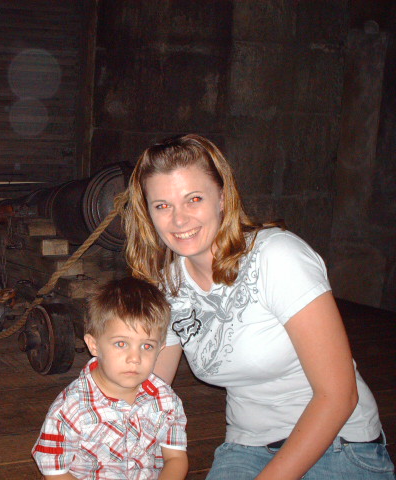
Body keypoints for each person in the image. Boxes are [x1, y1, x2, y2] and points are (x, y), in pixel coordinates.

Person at [120, 133, 395, 480]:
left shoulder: (277, 257)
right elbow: (150, 388)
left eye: (194, 199)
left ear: (222, 198)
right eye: (162, 206)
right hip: (246, 447)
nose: (179, 220)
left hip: (339, 444)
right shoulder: (167, 287)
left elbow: (339, 396)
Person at [32, 276, 188, 479]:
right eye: (121, 344)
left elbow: (176, 458)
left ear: (160, 349)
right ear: (94, 345)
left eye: (147, 346)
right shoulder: (70, 408)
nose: (135, 358)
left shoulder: (165, 399)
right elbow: (55, 472)